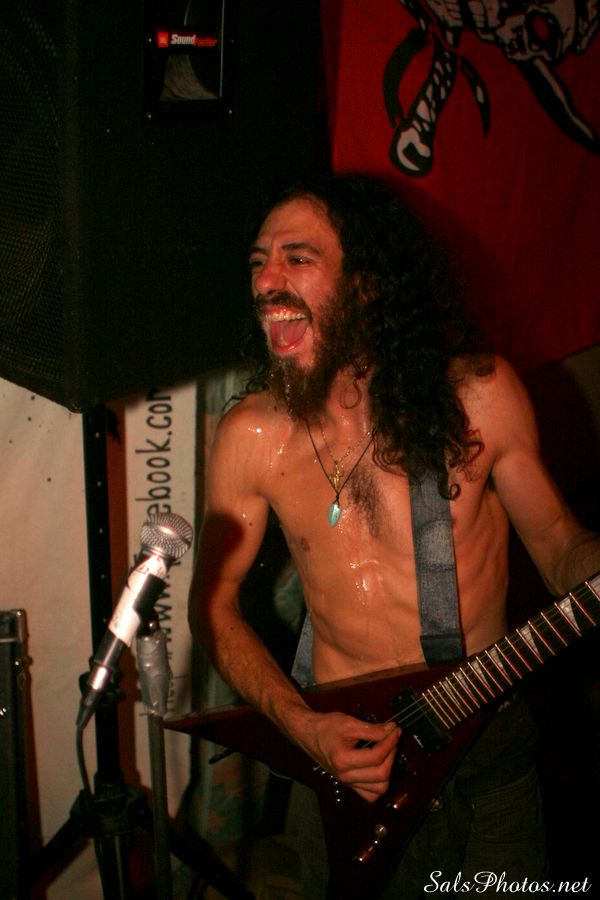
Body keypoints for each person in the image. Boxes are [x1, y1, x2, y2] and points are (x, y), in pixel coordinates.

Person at [188, 173, 600, 897]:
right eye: (258, 262)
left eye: (297, 257)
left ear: (367, 285)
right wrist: (304, 728)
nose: (267, 280)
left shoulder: (478, 398)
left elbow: (562, 546)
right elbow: (212, 605)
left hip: (485, 749)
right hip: (341, 764)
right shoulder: (252, 435)